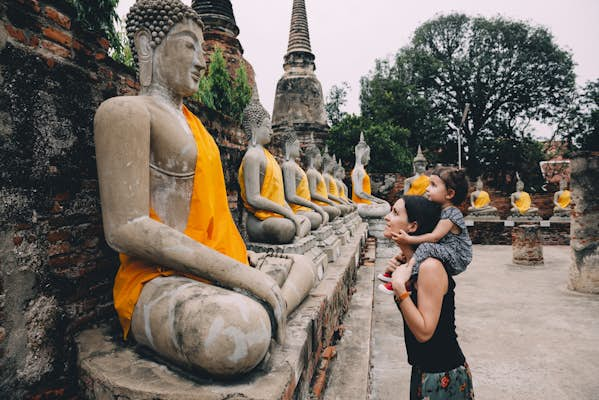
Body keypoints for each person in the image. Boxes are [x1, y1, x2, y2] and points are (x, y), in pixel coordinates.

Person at [383, 196, 475, 399]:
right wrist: (403, 282)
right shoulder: (411, 266)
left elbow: (424, 332)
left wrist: (400, 288)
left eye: (395, 213)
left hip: (442, 374)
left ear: (413, 226)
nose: (387, 217)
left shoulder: (430, 267)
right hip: (422, 369)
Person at [378, 167, 472, 288]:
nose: (427, 189)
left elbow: (433, 237)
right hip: (445, 250)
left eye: (433, 185)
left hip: (457, 256)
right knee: (412, 251)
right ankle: (391, 272)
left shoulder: (452, 213)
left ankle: (407, 278)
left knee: (426, 247)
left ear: (449, 193)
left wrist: (408, 239)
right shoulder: (439, 211)